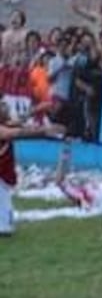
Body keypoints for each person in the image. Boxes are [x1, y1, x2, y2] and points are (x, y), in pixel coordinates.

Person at [0, 97, 66, 235]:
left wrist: (37, 109)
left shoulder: (6, 123)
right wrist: (44, 131)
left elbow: (19, 121)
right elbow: (17, 133)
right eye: (2, 105)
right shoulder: (3, 129)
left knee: (6, 221)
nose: (6, 107)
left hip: (3, 176)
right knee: (5, 227)